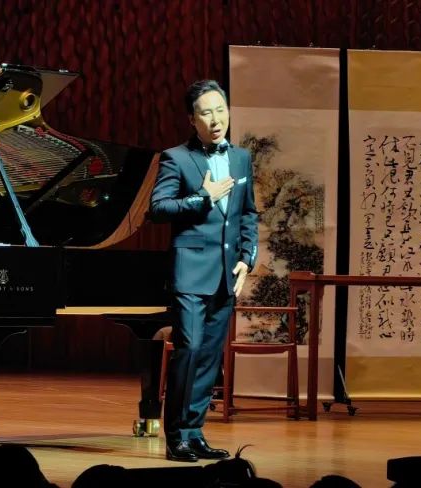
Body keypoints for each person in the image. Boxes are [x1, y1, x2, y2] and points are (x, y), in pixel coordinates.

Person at [150, 79, 259, 462]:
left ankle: (195, 433)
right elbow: (158, 208)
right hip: (191, 271)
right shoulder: (176, 158)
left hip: (227, 273)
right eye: (206, 113)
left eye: (220, 110)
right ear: (191, 119)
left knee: (210, 357)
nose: (216, 120)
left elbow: (248, 213)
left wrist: (247, 257)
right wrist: (202, 198)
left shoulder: (241, 158)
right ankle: (176, 436)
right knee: (190, 350)